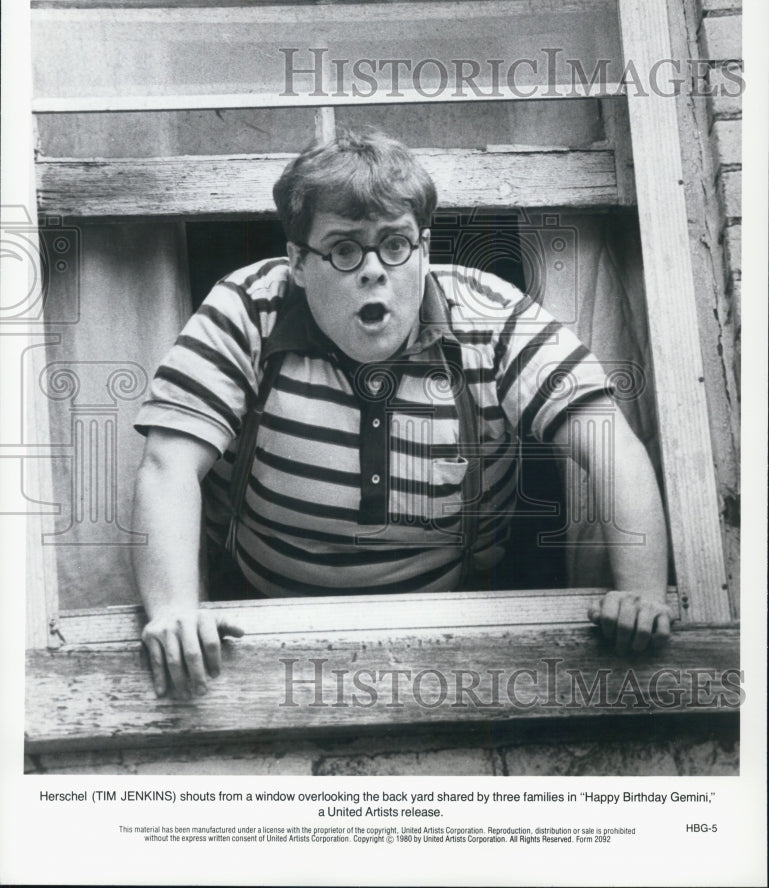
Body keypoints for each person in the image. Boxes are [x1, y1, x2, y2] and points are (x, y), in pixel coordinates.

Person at [132, 128, 671, 699]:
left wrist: (642, 595)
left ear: (424, 248)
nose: (373, 271)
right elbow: (169, 465)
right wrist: (173, 612)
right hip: (254, 629)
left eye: (394, 245)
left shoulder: (489, 319)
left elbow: (608, 441)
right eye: (343, 249)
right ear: (296, 261)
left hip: (450, 638)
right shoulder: (247, 307)